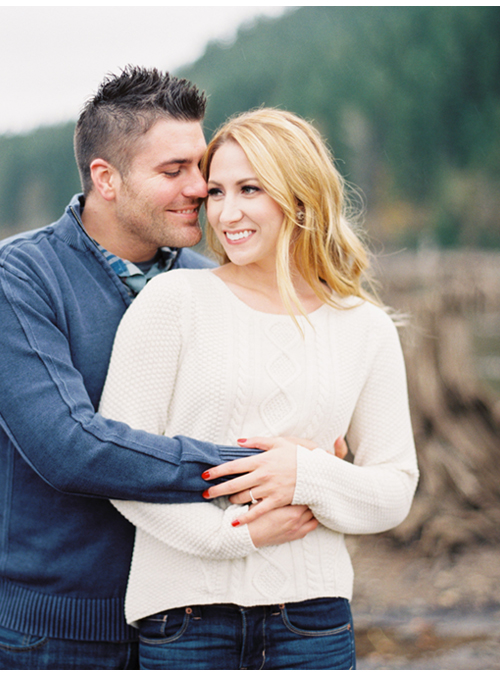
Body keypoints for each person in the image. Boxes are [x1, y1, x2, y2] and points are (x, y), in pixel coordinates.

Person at [0, 68, 321, 670]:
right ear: (106, 179)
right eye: (173, 171)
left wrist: (314, 458)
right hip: (45, 636)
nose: (201, 188)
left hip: (195, 626)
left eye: (200, 167)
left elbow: (276, 417)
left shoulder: (211, 283)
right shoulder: (15, 280)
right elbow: (69, 448)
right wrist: (253, 468)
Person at [99, 108, 419, 669]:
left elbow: (394, 491)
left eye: (250, 189)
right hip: (186, 618)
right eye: (217, 192)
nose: (227, 212)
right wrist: (234, 537)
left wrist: (306, 475)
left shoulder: (363, 326)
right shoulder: (173, 302)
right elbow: (119, 469)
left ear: (299, 197)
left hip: (312, 618)